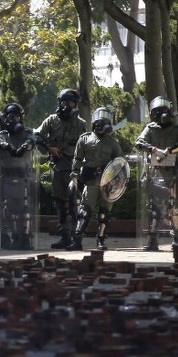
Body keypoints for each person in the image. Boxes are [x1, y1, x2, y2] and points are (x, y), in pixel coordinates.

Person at [65, 108, 125, 251]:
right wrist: (74, 176)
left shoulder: (113, 142)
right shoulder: (85, 139)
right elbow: (77, 159)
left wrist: (118, 183)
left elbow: (120, 162)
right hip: (91, 181)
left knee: (104, 214)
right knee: (84, 211)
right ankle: (77, 240)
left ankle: (101, 240)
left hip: (107, 183)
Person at [135, 96, 178, 250]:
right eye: (158, 111)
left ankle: (177, 239)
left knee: (174, 208)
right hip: (155, 173)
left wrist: (170, 151)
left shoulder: (177, 128)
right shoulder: (151, 128)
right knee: (154, 208)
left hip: (172, 173)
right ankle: (152, 240)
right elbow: (139, 142)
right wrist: (153, 149)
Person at [35, 89, 87, 249]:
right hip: (57, 168)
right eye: (64, 102)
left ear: (75, 104)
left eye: (70, 102)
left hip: (73, 169)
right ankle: (64, 236)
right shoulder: (51, 120)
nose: (67, 105)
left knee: (73, 203)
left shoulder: (81, 123)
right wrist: (49, 147)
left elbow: (85, 145)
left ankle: (76, 237)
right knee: (60, 203)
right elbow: (36, 135)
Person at [0, 103, 38, 250]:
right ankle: (16, 237)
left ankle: (26, 237)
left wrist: (24, 147)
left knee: (25, 208)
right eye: (9, 117)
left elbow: (32, 140)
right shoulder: (3, 134)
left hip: (24, 175)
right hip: (7, 175)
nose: (12, 120)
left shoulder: (27, 132)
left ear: (21, 118)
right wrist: (8, 146)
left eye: (15, 117)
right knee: (9, 209)